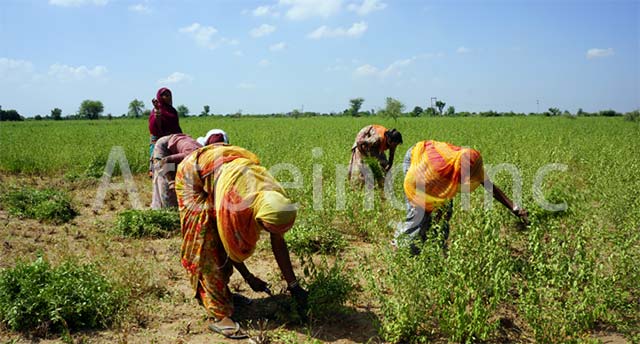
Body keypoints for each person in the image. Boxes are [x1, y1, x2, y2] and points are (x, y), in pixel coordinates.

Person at [175, 144, 308, 339]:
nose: (268, 233)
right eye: (266, 228)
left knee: (216, 239)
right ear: (259, 218)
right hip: (192, 175)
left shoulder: (274, 199)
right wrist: (248, 277)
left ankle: (224, 294)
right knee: (207, 246)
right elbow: (228, 243)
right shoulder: (236, 208)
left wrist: (294, 285)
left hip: (221, 166)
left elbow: (278, 243)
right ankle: (219, 315)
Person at [394, 140, 529, 254]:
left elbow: (489, 186)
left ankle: (436, 250)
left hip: (437, 164)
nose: (467, 181)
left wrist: (514, 208)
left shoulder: (471, 164)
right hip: (417, 159)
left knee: (444, 214)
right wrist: (429, 210)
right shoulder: (437, 171)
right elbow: (412, 187)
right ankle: (400, 245)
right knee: (418, 215)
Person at [150, 129, 229, 209]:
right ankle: (161, 209)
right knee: (164, 184)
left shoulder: (204, 157)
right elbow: (165, 162)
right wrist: (171, 182)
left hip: (180, 147)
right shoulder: (192, 155)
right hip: (165, 146)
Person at [148, 87, 183, 177]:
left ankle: (170, 174)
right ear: (160, 97)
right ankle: (153, 171)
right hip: (159, 136)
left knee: (171, 156)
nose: (167, 98)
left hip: (171, 136)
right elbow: (155, 125)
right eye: (165, 95)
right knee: (157, 154)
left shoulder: (172, 110)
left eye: (169, 95)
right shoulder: (156, 110)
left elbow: (176, 125)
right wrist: (157, 111)